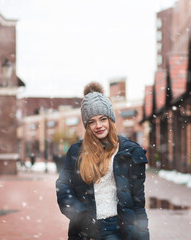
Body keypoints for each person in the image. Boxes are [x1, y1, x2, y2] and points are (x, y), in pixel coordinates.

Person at [56, 82, 149, 240]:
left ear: (110, 120)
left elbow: (138, 202)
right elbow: (63, 188)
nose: (98, 125)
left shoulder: (130, 152)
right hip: (87, 230)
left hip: (120, 229)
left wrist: (142, 235)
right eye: (91, 121)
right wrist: (80, 215)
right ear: (86, 125)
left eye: (102, 119)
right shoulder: (76, 152)